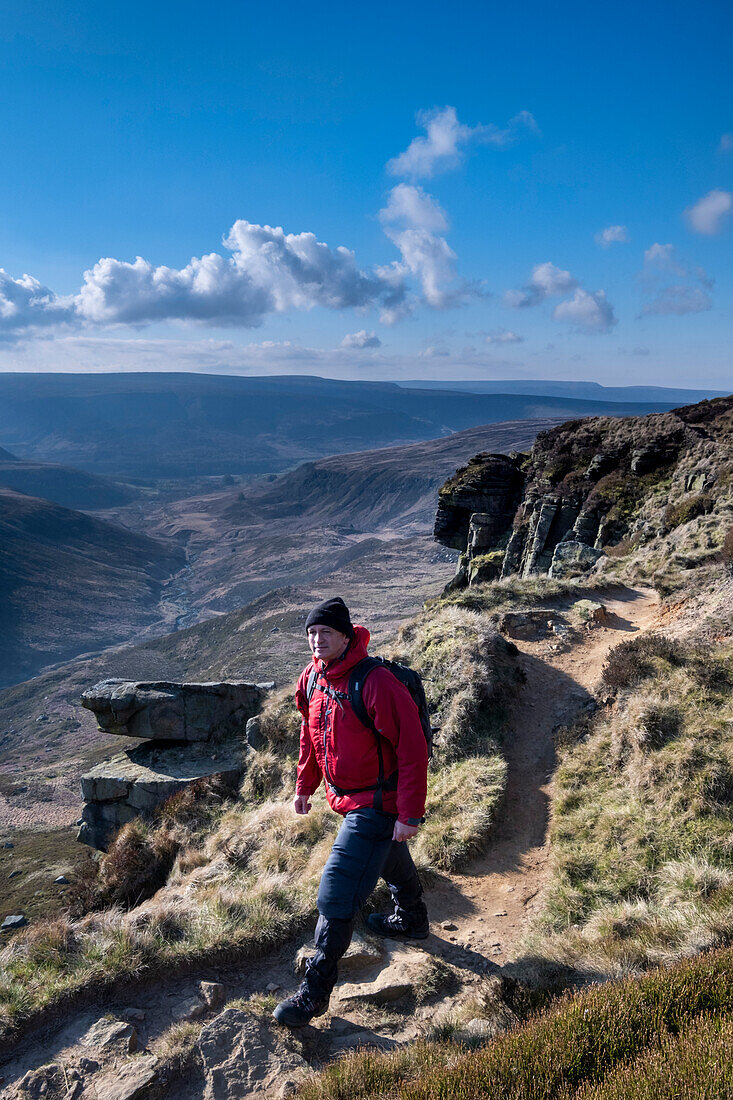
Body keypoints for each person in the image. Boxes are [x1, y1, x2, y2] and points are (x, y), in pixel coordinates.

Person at [273, 596, 429, 1028]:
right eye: (311, 633)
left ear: (346, 635)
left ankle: (313, 992)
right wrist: (305, 785)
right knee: (384, 855)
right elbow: (311, 733)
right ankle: (412, 918)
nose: (317, 640)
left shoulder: (374, 681)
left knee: (338, 890)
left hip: (378, 802)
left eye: (325, 633)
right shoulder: (312, 677)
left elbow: (413, 749)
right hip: (349, 798)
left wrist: (409, 813)